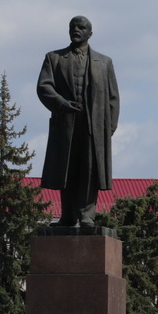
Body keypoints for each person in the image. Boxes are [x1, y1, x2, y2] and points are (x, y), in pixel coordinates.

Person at [37, 15, 120, 228]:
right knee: (67, 170)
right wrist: (61, 103)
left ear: (90, 33)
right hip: (65, 124)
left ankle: (87, 215)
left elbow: (113, 97)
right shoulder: (54, 58)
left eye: (81, 27)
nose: (76, 30)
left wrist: (109, 127)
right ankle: (68, 216)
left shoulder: (105, 62)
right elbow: (44, 87)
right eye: (73, 27)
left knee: (90, 170)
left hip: (94, 127)